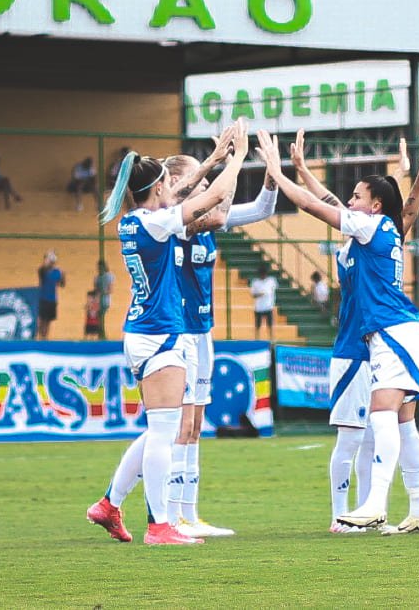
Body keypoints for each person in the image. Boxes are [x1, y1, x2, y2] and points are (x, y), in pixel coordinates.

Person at [260, 130, 419, 536]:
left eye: (356, 196)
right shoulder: (380, 229)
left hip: (390, 332)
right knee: (403, 422)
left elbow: (313, 206)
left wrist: (277, 173)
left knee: (382, 418)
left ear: (374, 205)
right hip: (392, 332)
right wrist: (301, 169)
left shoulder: (371, 228)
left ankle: (373, 504)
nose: (349, 201)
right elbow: (328, 201)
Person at [85, 143, 243, 546]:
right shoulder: (158, 223)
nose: (174, 189)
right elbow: (208, 198)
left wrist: (208, 162)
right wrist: (237, 159)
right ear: (159, 190)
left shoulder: (133, 220)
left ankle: (110, 504)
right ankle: (159, 526)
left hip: (141, 331)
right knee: (164, 434)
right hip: (160, 334)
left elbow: (181, 192)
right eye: (168, 186)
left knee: (160, 428)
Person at [162, 119, 279, 539]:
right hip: (178, 333)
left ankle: (188, 515)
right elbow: (221, 210)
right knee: (178, 427)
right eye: (200, 176)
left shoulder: (208, 220)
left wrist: (271, 174)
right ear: (177, 181)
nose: (207, 182)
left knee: (194, 427)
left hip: (203, 331)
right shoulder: (173, 221)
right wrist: (234, 160)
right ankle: (169, 516)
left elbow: (262, 210)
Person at [37, 251, 66, 340]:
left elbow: (62, 284)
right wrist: (46, 262)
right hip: (43, 298)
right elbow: (41, 272)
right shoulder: (43, 271)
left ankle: (45, 338)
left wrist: (63, 276)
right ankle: (40, 337)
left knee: (48, 321)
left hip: (52, 299)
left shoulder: (57, 272)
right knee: (41, 320)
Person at [250, 265, 277, 341]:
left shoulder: (272, 280)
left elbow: (273, 289)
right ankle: (256, 340)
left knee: (270, 326)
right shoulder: (255, 282)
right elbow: (253, 295)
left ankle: (272, 341)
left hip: (269, 306)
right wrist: (260, 294)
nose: (263, 275)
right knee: (257, 326)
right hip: (259, 307)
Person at [93, 260, 114, 340]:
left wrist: (103, 292)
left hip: (105, 299)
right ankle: (101, 333)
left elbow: (110, 289)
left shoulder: (108, 276)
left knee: (101, 316)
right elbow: (95, 289)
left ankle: (102, 333)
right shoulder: (97, 277)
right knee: (99, 317)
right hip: (99, 299)